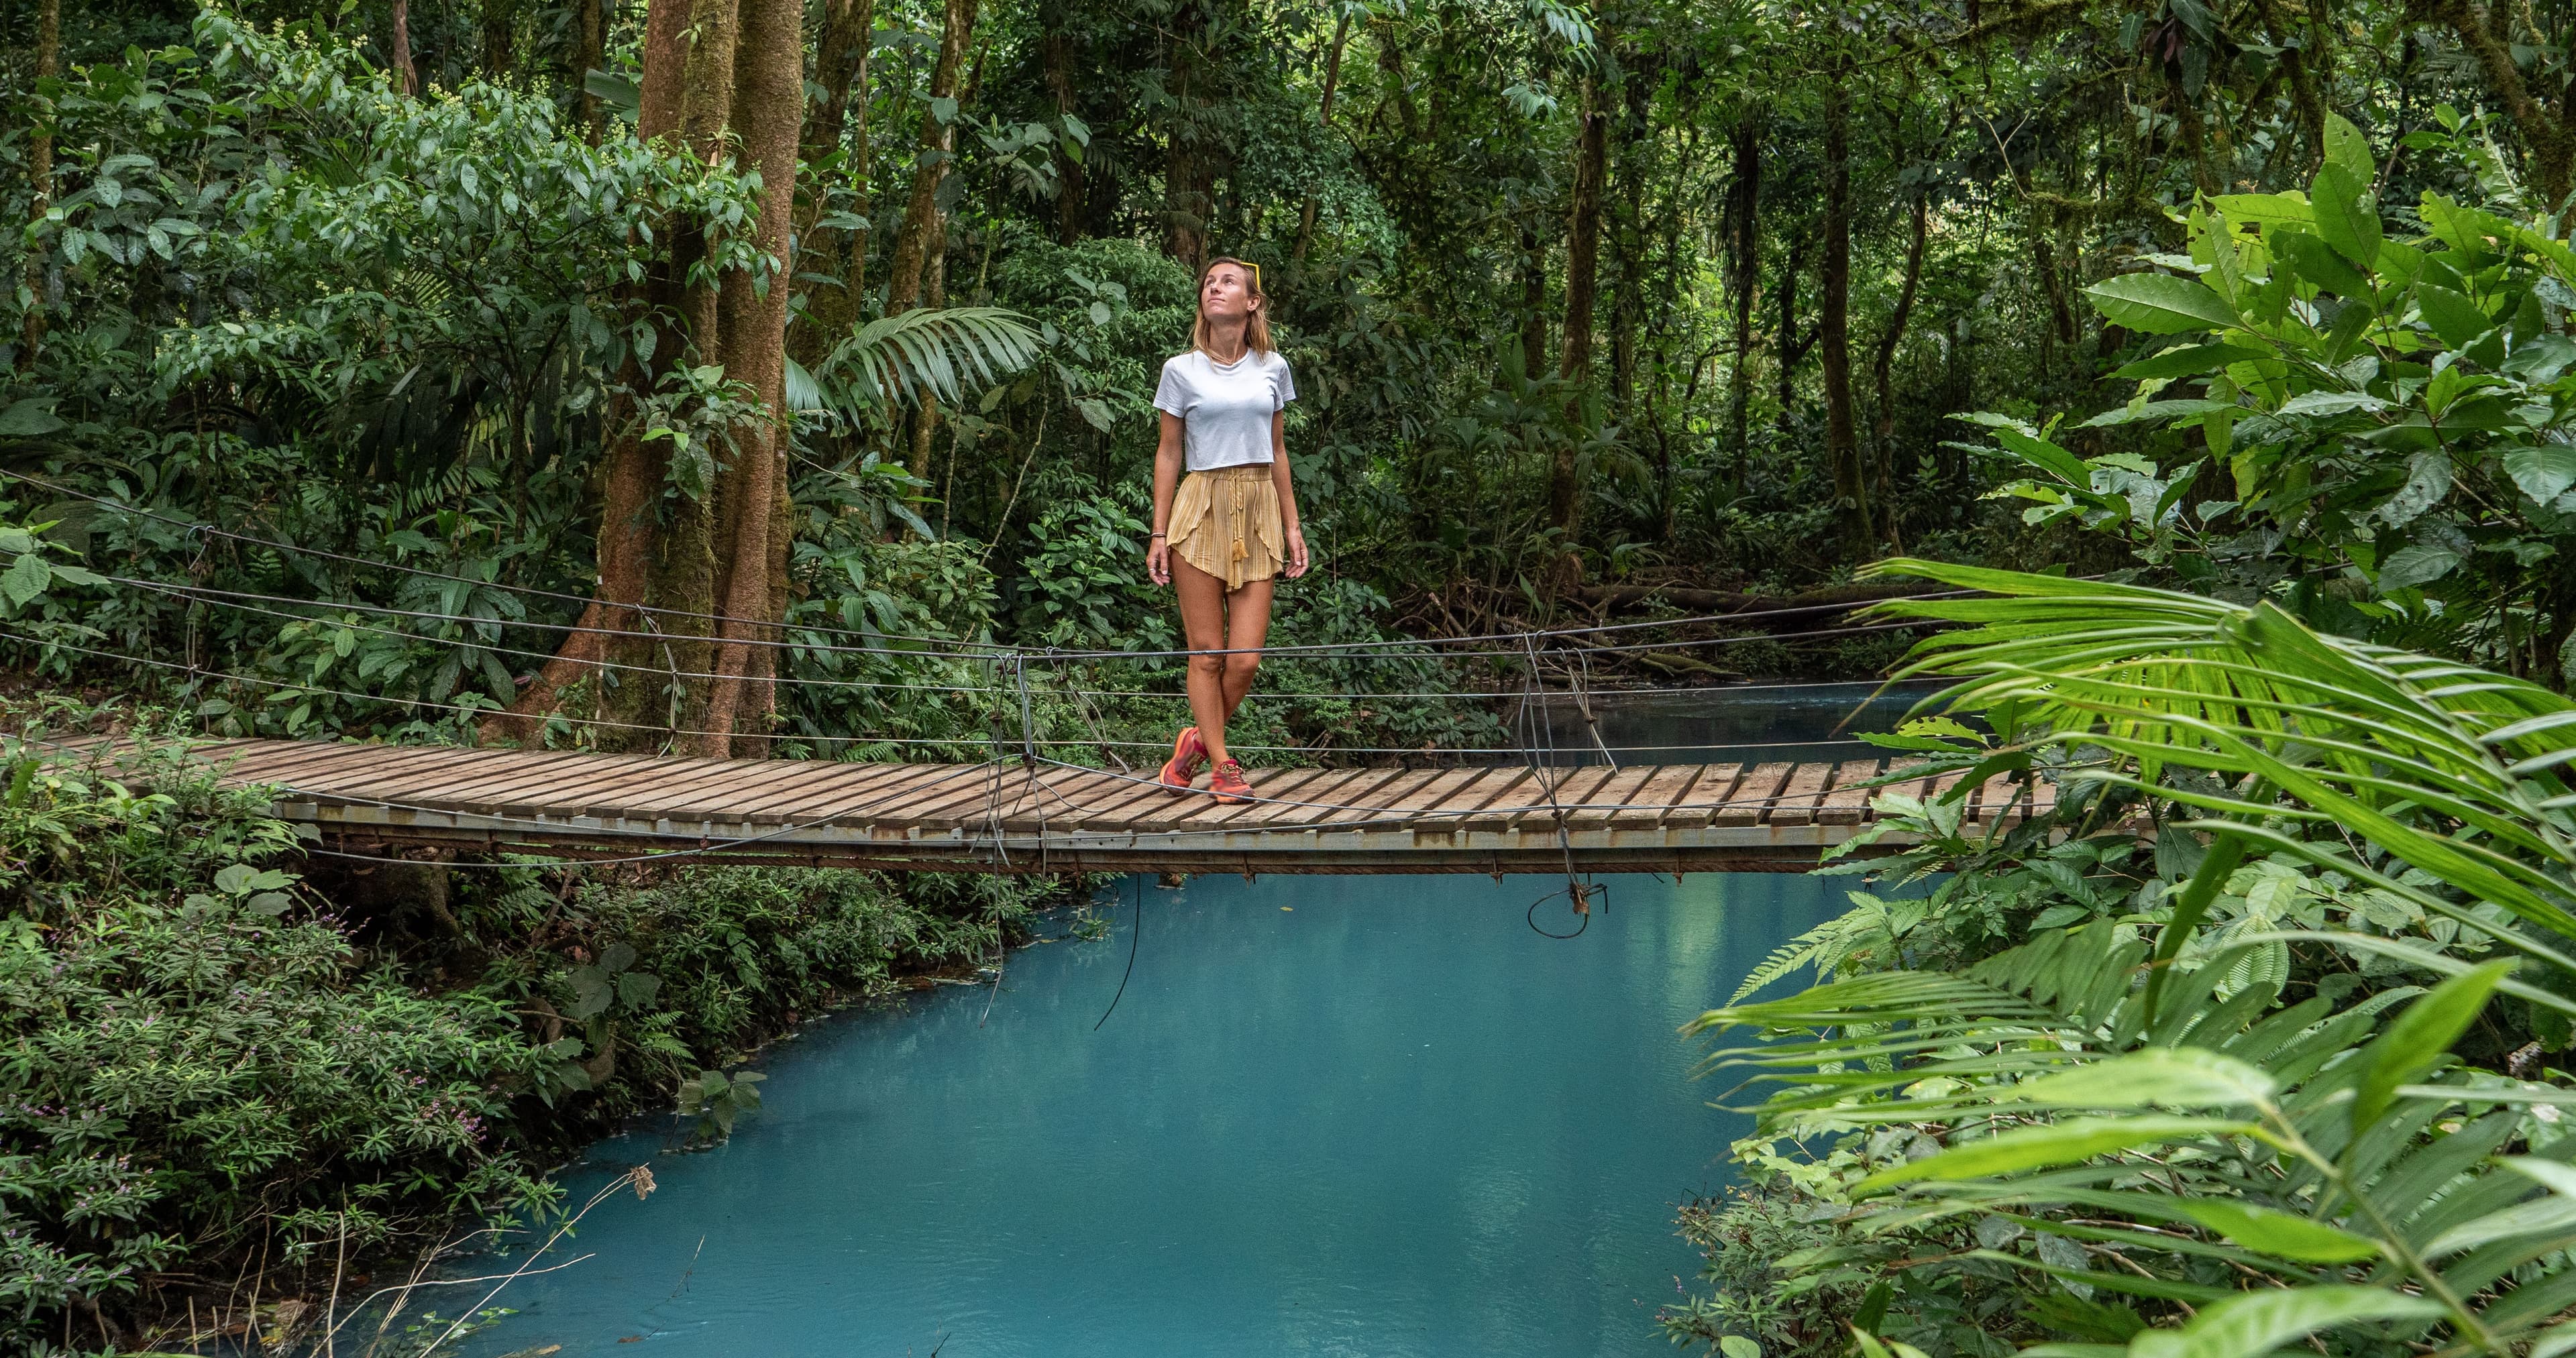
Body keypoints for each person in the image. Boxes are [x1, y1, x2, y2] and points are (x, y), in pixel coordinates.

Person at [1146, 257, 1310, 804]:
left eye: (1229, 281)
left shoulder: (1273, 367)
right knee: (1207, 652)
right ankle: (1222, 765)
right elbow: (1169, 452)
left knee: (1245, 659)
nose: (1215, 287)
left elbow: (1279, 449)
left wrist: (1292, 525)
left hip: (1259, 505)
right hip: (1201, 508)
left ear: (1252, 302)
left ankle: (1193, 743)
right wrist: (1158, 532)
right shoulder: (1180, 369)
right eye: (1210, 282)